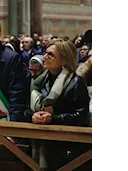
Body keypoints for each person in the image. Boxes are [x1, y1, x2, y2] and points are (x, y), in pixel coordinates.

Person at [26, 38, 90, 170]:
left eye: (51, 54)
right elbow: (25, 108)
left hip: (67, 147)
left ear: (64, 60)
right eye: (45, 53)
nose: (45, 57)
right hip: (39, 141)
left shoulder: (76, 82)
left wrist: (53, 119)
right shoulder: (39, 81)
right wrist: (33, 116)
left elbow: (81, 116)